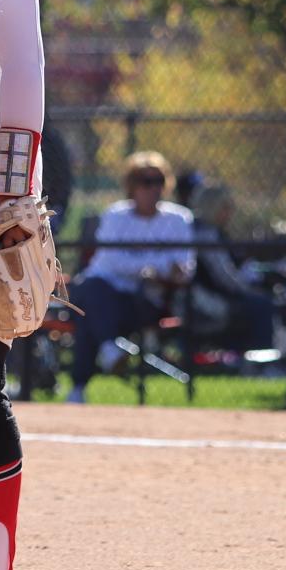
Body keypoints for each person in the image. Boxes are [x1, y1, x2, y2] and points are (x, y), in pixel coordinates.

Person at [65, 151, 196, 403]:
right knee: (91, 290)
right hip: (105, 295)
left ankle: (81, 384)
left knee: (88, 309)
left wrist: (144, 268)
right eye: (146, 182)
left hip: (146, 301)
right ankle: (107, 351)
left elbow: (184, 269)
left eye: (159, 181)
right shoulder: (115, 215)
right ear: (132, 186)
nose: (154, 188)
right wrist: (156, 266)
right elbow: (109, 262)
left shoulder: (178, 219)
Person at [190, 183, 274, 354]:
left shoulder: (213, 232)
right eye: (226, 207)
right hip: (204, 298)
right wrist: (249, 290)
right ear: (212, 207)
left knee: (258, 302)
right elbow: (224, 276)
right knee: (262, 304)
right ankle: (260, 360)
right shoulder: (205, 234)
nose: (230, 212)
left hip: (215, 293)